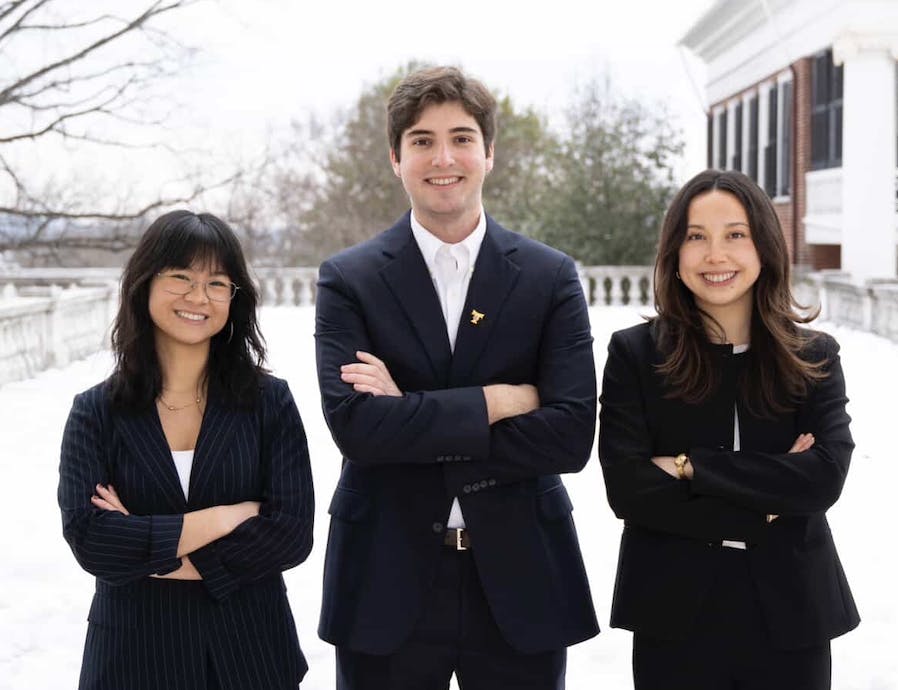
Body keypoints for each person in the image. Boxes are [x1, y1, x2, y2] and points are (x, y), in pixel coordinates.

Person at [314, 66, 598, 689]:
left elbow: (571, 436)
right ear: (395, 157)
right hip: (385, 580)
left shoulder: (550, 277)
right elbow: (359, 431)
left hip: (522, 579)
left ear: (489, 154)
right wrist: (499, 401)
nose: (444, 157)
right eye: (421, 140)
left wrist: (411, 414)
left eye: (462, 138)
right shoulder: (349, 279)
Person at [598, 169, 859, 689]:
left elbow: (823, 479)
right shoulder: (635, 355)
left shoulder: (814, 357)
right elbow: (630, 490)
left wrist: (691, 465)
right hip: (672, 614)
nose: (715, 255)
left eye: (735, 235)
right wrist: (766, 500)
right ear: (675, 252)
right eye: (696, 237)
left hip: (793, 612)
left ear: (764, 245)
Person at [58, 210, 314, 690]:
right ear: (145, 284)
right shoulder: (96, 412)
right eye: (181, 277)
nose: (199, 297)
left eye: (217, 283)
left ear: (233, 299)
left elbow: (291, 534)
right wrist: (225, 518)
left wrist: (150, 550)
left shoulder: (269, 403)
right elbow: (92, 541)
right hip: (133, 658)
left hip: (252, 656)